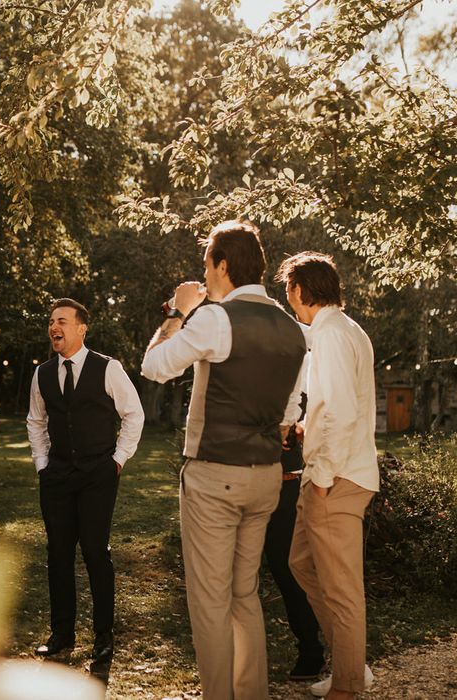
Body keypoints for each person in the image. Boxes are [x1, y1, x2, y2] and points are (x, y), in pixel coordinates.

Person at [141, 220, 306, 700]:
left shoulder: (215, 319)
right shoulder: (293, 329)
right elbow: (291, 410)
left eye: (206, 265)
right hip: (266, 477)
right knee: (243, 594)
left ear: (223, 266)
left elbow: (154, 366)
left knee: (210, 601)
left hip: (216, 474)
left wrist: (179, 310)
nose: (204, 275)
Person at [276, 252, 379, 700]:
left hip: (334, 479)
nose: (288, 299)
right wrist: (305, 427)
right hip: (326, 471)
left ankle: (349, 686)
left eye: (288, 291)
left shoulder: (334, 335)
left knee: (342, 591)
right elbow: (335, 406)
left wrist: (321, 479)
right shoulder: (339, 330)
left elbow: (340, 411)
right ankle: (352, 665)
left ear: (300, 290)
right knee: (300, 563)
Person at [26, 298, 144, 678]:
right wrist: (43, 463)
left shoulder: (108, 368)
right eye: (50, 322)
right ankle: (62, 633)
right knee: (58, 553)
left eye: (61, 321)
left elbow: (133, 414)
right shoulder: (42, 373)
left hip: (98, 473)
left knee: (95, 551)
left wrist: (117, 459)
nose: (53, 327)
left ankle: (103, 636)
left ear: (81, 328)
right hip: (57, 476)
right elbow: (36, 421)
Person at [263, 383, 325, 681]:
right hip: (244, 484)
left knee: (286, 569)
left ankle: (311, 650)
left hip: (287, 485)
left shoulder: (302, 373)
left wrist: (299, 428)